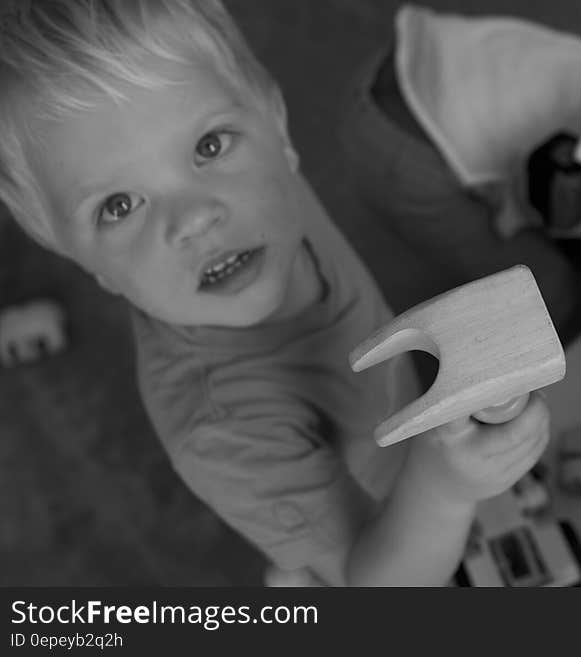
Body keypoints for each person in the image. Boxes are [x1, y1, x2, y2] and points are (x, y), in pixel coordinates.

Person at [0, 0, 551, 586]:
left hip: (391, 435)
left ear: (278, 132)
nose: (195, 218)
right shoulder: (222, 427)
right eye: (119, 206)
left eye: (208, 147)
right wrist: (443, 488)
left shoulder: (267, 193)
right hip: (382, 542)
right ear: (88, 267)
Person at [338, 4, 581, 334]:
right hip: (403, 153)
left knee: (554, 219)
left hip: (423, 62)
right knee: (542, 290)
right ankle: (496, 408)